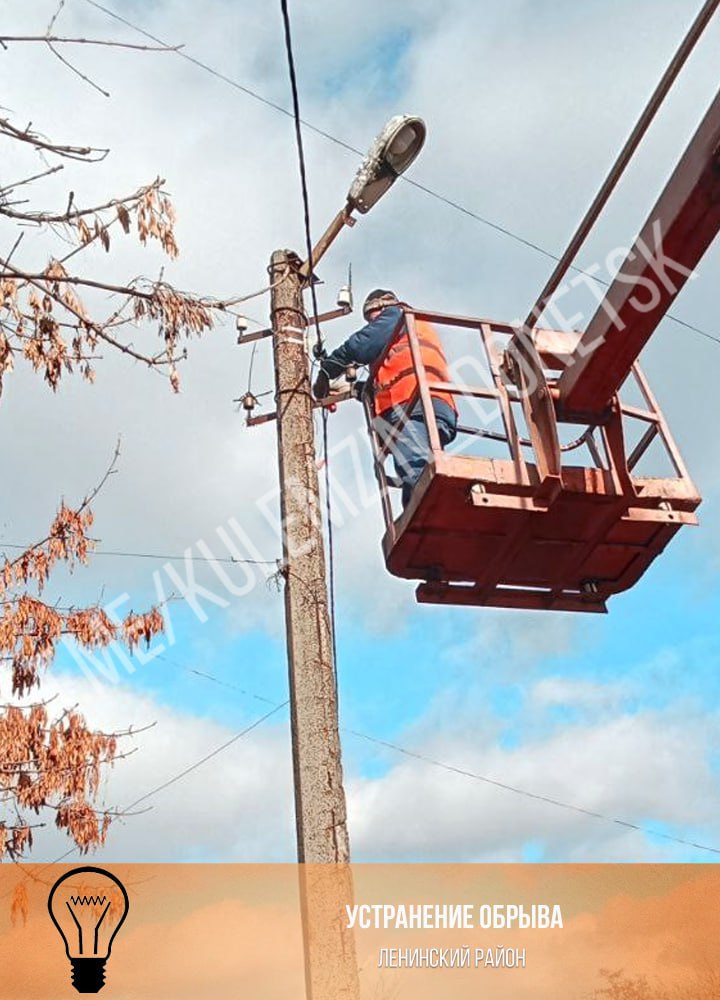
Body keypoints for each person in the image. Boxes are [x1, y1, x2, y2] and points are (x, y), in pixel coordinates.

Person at [313, 289, 457, 507]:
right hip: (433, 403)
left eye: (371, 317)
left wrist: (328, 369)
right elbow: (393, 369)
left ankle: (431, 514)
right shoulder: (414, 328)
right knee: (423, 470)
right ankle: (426, 514)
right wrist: (363, 389)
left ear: (379, 307)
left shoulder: (396, 315)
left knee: (418, 475)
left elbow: (360, 345)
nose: (371, 322)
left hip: (410, 403)